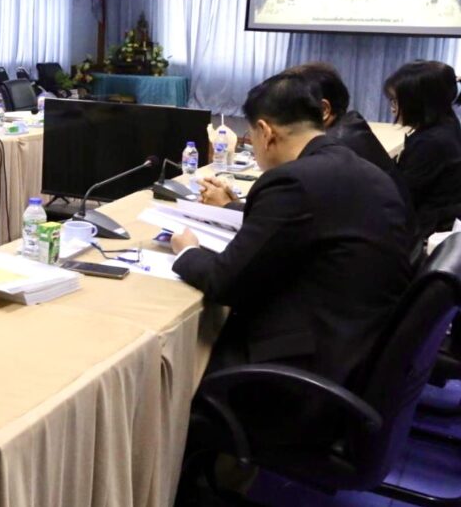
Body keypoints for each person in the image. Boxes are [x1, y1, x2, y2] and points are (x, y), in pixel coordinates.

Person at [172, 72, 411, 387]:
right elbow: (305, 224)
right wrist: (232, 209)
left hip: (305, 371)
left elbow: (225, 282)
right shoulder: (361, 168)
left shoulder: (292, 181)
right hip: (361, 349)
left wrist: (188, 251)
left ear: (265, 132)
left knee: (184, 367)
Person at [198, 62, 410, 220]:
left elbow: (287, 218)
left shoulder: (335, 151)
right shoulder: (348, 131)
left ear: (323, 109)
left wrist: (227, 207)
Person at [384, 60, 461, 236]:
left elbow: (400, 196)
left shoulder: (431, 143)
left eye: (395, 101)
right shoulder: (447, 124)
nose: (393, 109)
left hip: (428, 230)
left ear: (417, 103)